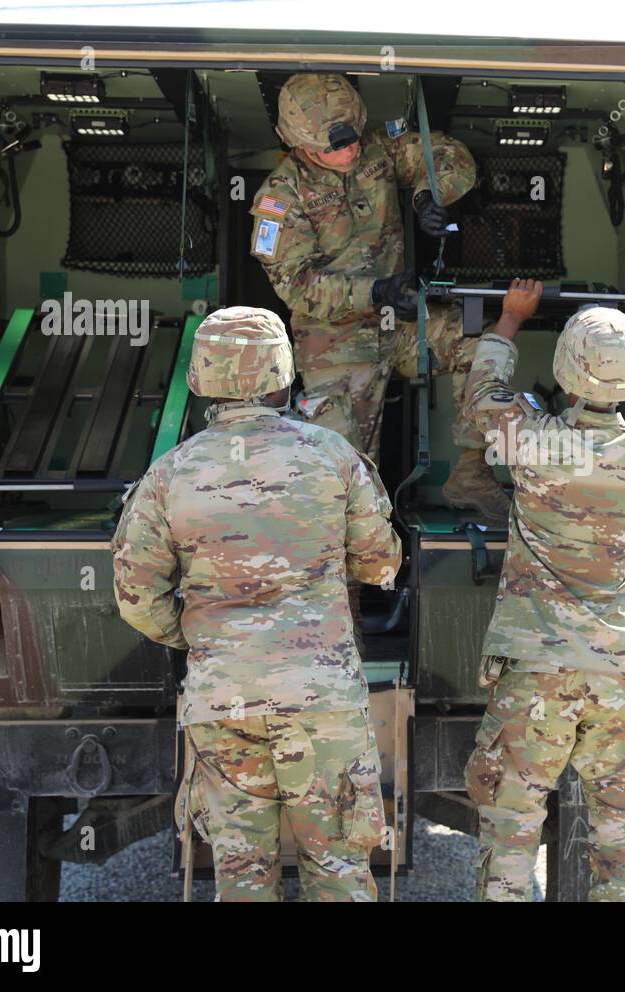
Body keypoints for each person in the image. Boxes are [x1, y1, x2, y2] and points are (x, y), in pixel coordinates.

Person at [112, 306, 402, 901]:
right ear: (283, 373)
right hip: (320, 701)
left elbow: (136, 594)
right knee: (340, 870)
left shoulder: (170, 474)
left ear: (199, 379)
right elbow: (381, 564)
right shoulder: (333, 456)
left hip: (222, 702)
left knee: (242, 877)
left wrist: (199, 636)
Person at [461, 283, 625, 902]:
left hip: (537, 675)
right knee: (622, 842)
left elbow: (482, 399)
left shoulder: (532, 443)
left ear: (565, 371)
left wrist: (509, 321)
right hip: (619, 678)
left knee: (511, 839)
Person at [249, 72, 508, 524]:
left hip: (400, 326)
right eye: (334, 148)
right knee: (341, 480)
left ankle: (470, 473)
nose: (348, 152)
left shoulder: (378, 149)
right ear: (301, 145)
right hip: (336, 345)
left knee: (481, 342)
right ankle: (347, 583)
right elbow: (297, 284)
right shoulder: (281, 195)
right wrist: (375, 291)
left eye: (350, 141)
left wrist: (430, 194)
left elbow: (450, 158)